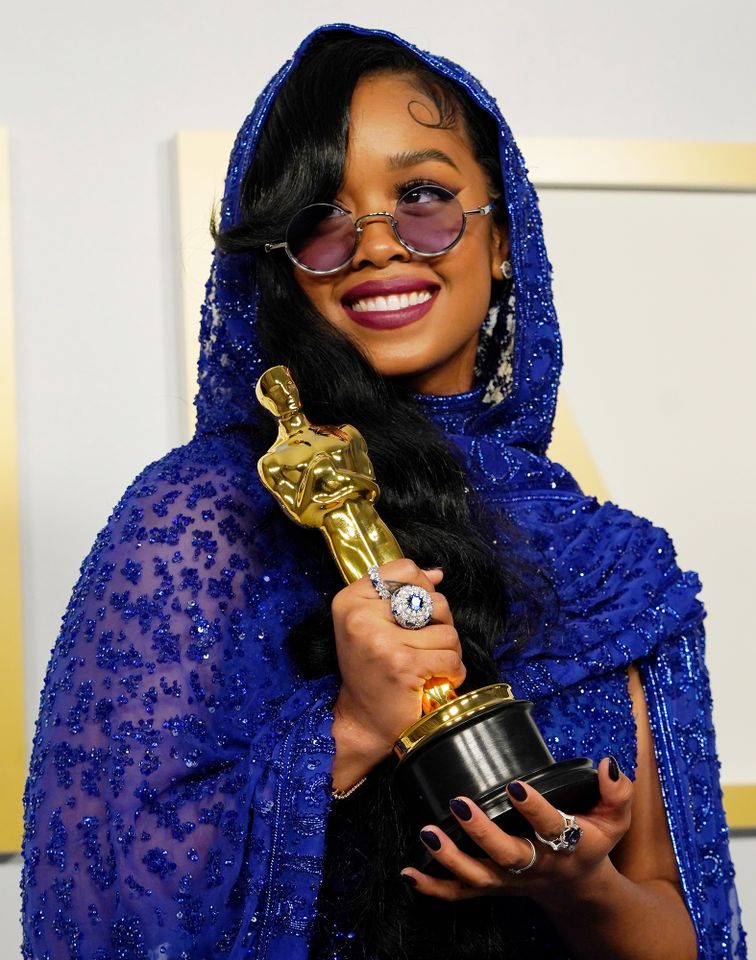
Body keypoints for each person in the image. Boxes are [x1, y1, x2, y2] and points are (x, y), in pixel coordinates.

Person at [20, 23, 745, 960]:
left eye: (425, 198)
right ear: (284, 265)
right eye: (322, 218)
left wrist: (581, 886)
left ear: (503, 236)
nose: (376, 246)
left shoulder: (618, 568)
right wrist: (354, 726)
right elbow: (103, 903)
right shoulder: (200, 520)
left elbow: (684, 934)